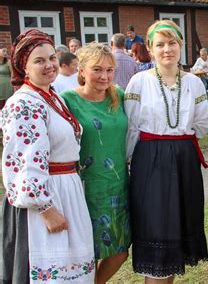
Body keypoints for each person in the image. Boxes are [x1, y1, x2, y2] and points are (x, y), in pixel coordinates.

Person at [0, 29, 95, 282]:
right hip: (44, 199)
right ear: (24, 67)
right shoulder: (24, 103)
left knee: (75, 271)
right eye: (39, 61)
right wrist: (45, 208)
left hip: (67, 190)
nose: (50, 65)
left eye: (52, 58)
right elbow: (23, 160)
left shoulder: (51, 97)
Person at [124, 19, 208, 283]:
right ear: (150, 49)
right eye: (160, 44)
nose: (167, 50)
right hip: (150, 160)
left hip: (184, 159)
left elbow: (204, 123)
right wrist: (130, 161)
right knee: (158, 229)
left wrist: (182, 138)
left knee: (177, 232)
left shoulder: (194, 84)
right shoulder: (139, 82)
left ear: (181, 45)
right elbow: (130, 127)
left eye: (172, 43)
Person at [62, 43, 131, 284]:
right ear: (81, 70)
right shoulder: (67, 100)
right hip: (85, 187)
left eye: (110, 70)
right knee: (86, 251)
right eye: (97, 69)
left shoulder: (119, 96)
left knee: (120, 251)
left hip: (119, 184)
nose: (104, 76)